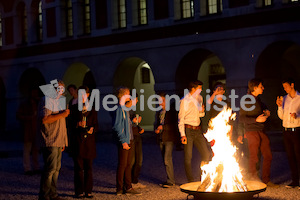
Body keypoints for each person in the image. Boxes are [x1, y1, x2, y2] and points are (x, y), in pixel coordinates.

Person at [239, 78, 277, 187]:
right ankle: (253, 180)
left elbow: (263, 112)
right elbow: (241, 119)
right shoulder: (246, 100)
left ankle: (266, 180)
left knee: (268, 155)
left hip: (261, 130)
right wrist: (256, 120)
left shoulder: (258, 100)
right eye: (261, 86)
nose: (263, 88)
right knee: (254, 156)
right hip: (251, 131)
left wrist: (266, 113)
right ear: (255, 88)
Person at [38, 80, 70, 200]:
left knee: (56, 169)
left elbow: (62, 123)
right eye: (58, 88)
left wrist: (63, 140)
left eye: (62, 89)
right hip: (50, 139)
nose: (60, 91)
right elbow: (45, 119)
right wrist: (63, 114)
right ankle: (44, 195)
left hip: (58, 139)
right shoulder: (47, 99)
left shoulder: (59, 101)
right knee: (50, 169)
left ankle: (53, 194)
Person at [178, 80, 211, 182]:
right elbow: (181, 119)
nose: (201, 90)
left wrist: (201, 111)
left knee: (206, 154)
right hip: (188, 130)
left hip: (198, 129)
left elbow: (200, 115)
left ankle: (204, 177)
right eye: (199, 88)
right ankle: (190, 180)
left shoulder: (199, 98)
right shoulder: (184, 101)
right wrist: (182, 135)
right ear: (193, 88)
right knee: (188, 157)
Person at [112, 87, 141, 195]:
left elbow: (126, 125)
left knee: (128, 164)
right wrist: (123, 141)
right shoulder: (120, 109)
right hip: (125, 140)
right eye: (128, 94)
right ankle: (120, 188)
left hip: (130, 139)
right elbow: (118, 126)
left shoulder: (124, 109)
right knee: (123, 165)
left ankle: (127, 186)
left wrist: (132, 122)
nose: (129, 96)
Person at [71, 86, 98, 198]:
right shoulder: (74, 108)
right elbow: (69, 124)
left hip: (89, 143)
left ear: (88, 95)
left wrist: (92, 129)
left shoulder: (92, 109)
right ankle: (79, 191)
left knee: (89, 168)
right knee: (78, 168)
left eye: (85, 94)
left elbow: (96, 124)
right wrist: (77, 124)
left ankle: (88, 190)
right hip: (78, 141)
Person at [276, 78, 300, 188]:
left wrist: (297, 115)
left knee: (298, 156)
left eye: (286, 86)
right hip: (286, 131)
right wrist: (279, 106)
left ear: (292, 85)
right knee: (290, 156)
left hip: (297, 131)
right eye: (283, 87)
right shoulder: (284, 99)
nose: (284, 88)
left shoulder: (299, 98)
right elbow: (281, 117)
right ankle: (294, 181)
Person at [155, 92, 179, 187]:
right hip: (161, 138)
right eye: (159, 101)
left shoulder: (171, 112)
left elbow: (174, 125)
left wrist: (163, 127)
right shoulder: (159, 112)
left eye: (163, 100)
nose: (161, 103)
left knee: (167, 159)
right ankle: (169, 179)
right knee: (165, 159)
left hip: (169, 138)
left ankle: (171, 181)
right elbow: (158, 124)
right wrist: (157, 129)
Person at [16, 88, 40, 175]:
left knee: (35, 150)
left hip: (36, 130)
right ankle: (27, 168)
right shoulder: (25, 103)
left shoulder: (38, 103)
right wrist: (29, 117)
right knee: (27, 149)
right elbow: (19, 115)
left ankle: (35, 166)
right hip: (28, 130)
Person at [128, 95, 146, 189]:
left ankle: (134, 180)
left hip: (137, 135)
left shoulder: (132, 110)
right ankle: (128, 182)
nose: (137, 101)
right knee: (132, 160)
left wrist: (139, 127)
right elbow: (126, 124)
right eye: (136, 99)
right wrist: (132, 121)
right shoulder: (126, 109)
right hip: (131, 136)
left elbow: (134, 124)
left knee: (139, 160)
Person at [66, 84, 78, 157]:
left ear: (75, 90)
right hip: (72, 124)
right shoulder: (71, 101)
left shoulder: (79, 100)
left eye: (72, 90)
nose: (71, 92)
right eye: (69, 91)